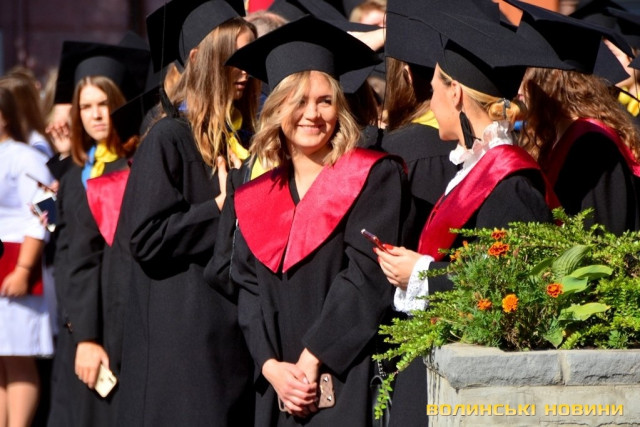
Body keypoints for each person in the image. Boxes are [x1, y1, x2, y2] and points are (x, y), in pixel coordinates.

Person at [226, 15, 408, 426]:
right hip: (278, 390)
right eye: (299, 101)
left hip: (346, 379)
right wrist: (271, 366)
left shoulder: (372, 177)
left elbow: (366, 279)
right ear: (277, 107)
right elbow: (248, 289)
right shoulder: (256, 194)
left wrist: (312, 358)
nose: (313, 114)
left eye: (325, 101)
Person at [115, 1, 258, 425]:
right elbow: (144, 239)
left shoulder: (246, 140)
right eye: (234, 58)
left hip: (234, 336)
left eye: (249, 57)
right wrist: (217, 208)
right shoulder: (168, 138)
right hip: (183, 341)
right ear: (198, 59)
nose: (245, 71)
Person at [375, 10, 558, 314]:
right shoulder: (477, 168)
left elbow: (509, 287)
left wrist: (422, 275)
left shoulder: (510, 186)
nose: (431, 104)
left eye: (434, 91)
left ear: (455, 93)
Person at [47, 40, 150, 427]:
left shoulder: (138, 164)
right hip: (87, 323)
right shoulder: (79, 173)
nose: (95, 115)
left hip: (124, 320)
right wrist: (85, 335)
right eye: (86, 106)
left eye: (103, 104)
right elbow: (75, 257)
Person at [509, 0, 640, 234]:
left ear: (546, 81)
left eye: (523, 76)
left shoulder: (592, 146)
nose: (517, 89)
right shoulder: (562, 136)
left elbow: (601, 240)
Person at [0, 85, 54, 427]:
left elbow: (46, 211)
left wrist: (23, 268)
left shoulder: (24, 155)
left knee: (18, 357)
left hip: (18, 260)